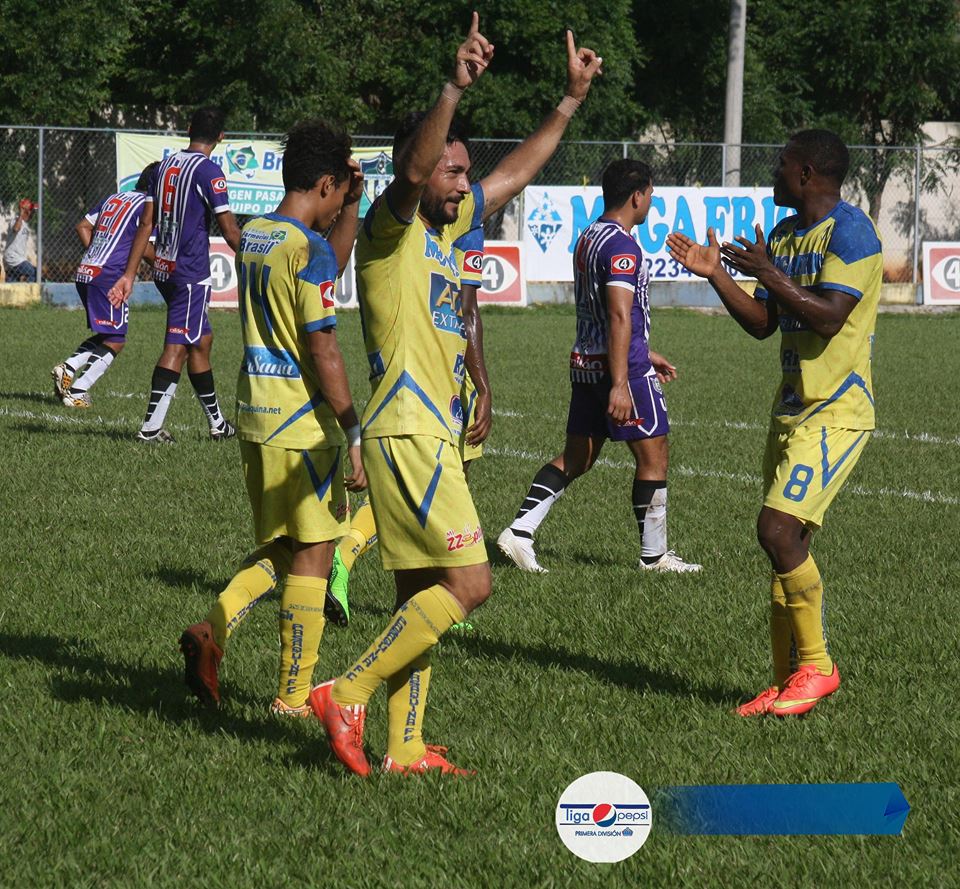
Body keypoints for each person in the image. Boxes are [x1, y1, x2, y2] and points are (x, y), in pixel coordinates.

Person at [309, 14, 602, 777]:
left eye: (466, 172)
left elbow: (517, 173)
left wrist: (570, 100)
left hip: (427, 429)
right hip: (409, 428)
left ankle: (405, 747)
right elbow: (411, 172)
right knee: (470, 583)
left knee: (419, 593)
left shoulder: (450, 228)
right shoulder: (390, 230)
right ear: (422, 167)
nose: (464, 182)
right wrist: (453, 87)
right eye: (451, 170)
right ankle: (346, 691)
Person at [666, 129, 882, 717]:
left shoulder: (851, 231)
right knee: (785, 545)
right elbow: (766, 323)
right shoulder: (785, 235)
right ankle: (788, 683)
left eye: (783, 163)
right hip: (789, 408)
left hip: (836, 410)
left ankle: (817, 667)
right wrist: (718, 274)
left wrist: (767, 271)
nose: (774, 171)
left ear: (807, 173)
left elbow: (831, 317)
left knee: (777, 531)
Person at [177, 120, 366, 715]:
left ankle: (212, 629)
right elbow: (323, 345)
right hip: (302, 423)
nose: (340, 204)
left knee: (287, 546)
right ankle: (292, 697)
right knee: (316, 553)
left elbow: (324, 266)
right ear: (326, 182)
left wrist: (350, 208)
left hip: (255, 414)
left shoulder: (257, 233)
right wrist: (353, 428)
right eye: (340, 194)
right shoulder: (308, 250)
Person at [497, 160, 701, 575]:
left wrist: (645, 349)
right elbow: (618, 314)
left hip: (587, 363)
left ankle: (519, 531)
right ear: (637, 196)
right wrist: (622, 381)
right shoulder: (623, 246)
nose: (650, 203)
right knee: (654, 456)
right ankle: (655, 557)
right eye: (650, 195)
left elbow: (602, 310)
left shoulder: (590, 236)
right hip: (619, 371)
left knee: (578, 457)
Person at [323, 222, 491, 631]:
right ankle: (444, 595)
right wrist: (483, 385)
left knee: (417, 490)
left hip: (418, 367)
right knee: (441, 487)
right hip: (444, 379)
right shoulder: (463, 223)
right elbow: (467, 309)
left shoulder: (428, 225)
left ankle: (414, 599)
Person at [109, 107, 241, 443]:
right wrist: (261, 256)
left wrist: (129, 274)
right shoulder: (210, 172)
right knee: (178, 347)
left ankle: (218, 424)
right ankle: (151, 429)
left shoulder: (164, 166)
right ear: (221, 137)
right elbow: (229, 231)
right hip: (190, 274)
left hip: (163, 270)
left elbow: (146, 223)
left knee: (201, 342)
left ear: (188, 128)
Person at [52, 163, 160, 408]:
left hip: (86, 270)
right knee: (116, 338)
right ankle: (77, 389)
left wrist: (97, 256)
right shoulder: (147, 205)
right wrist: (164, 266)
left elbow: (82, 226)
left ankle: (68, 369)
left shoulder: (114, 198)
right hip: (108, 276)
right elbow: (145, 247)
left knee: (107, 333)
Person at [4, 199, 38, 282]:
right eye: (31, 210)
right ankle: (30, 290)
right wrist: (21, 214)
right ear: (27, 211)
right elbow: (16, 229)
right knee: (34, 272)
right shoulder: (15, 220)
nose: (33, 213)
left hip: (17, 258)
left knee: (12, 283)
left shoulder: (25, 224)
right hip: (13, 258)